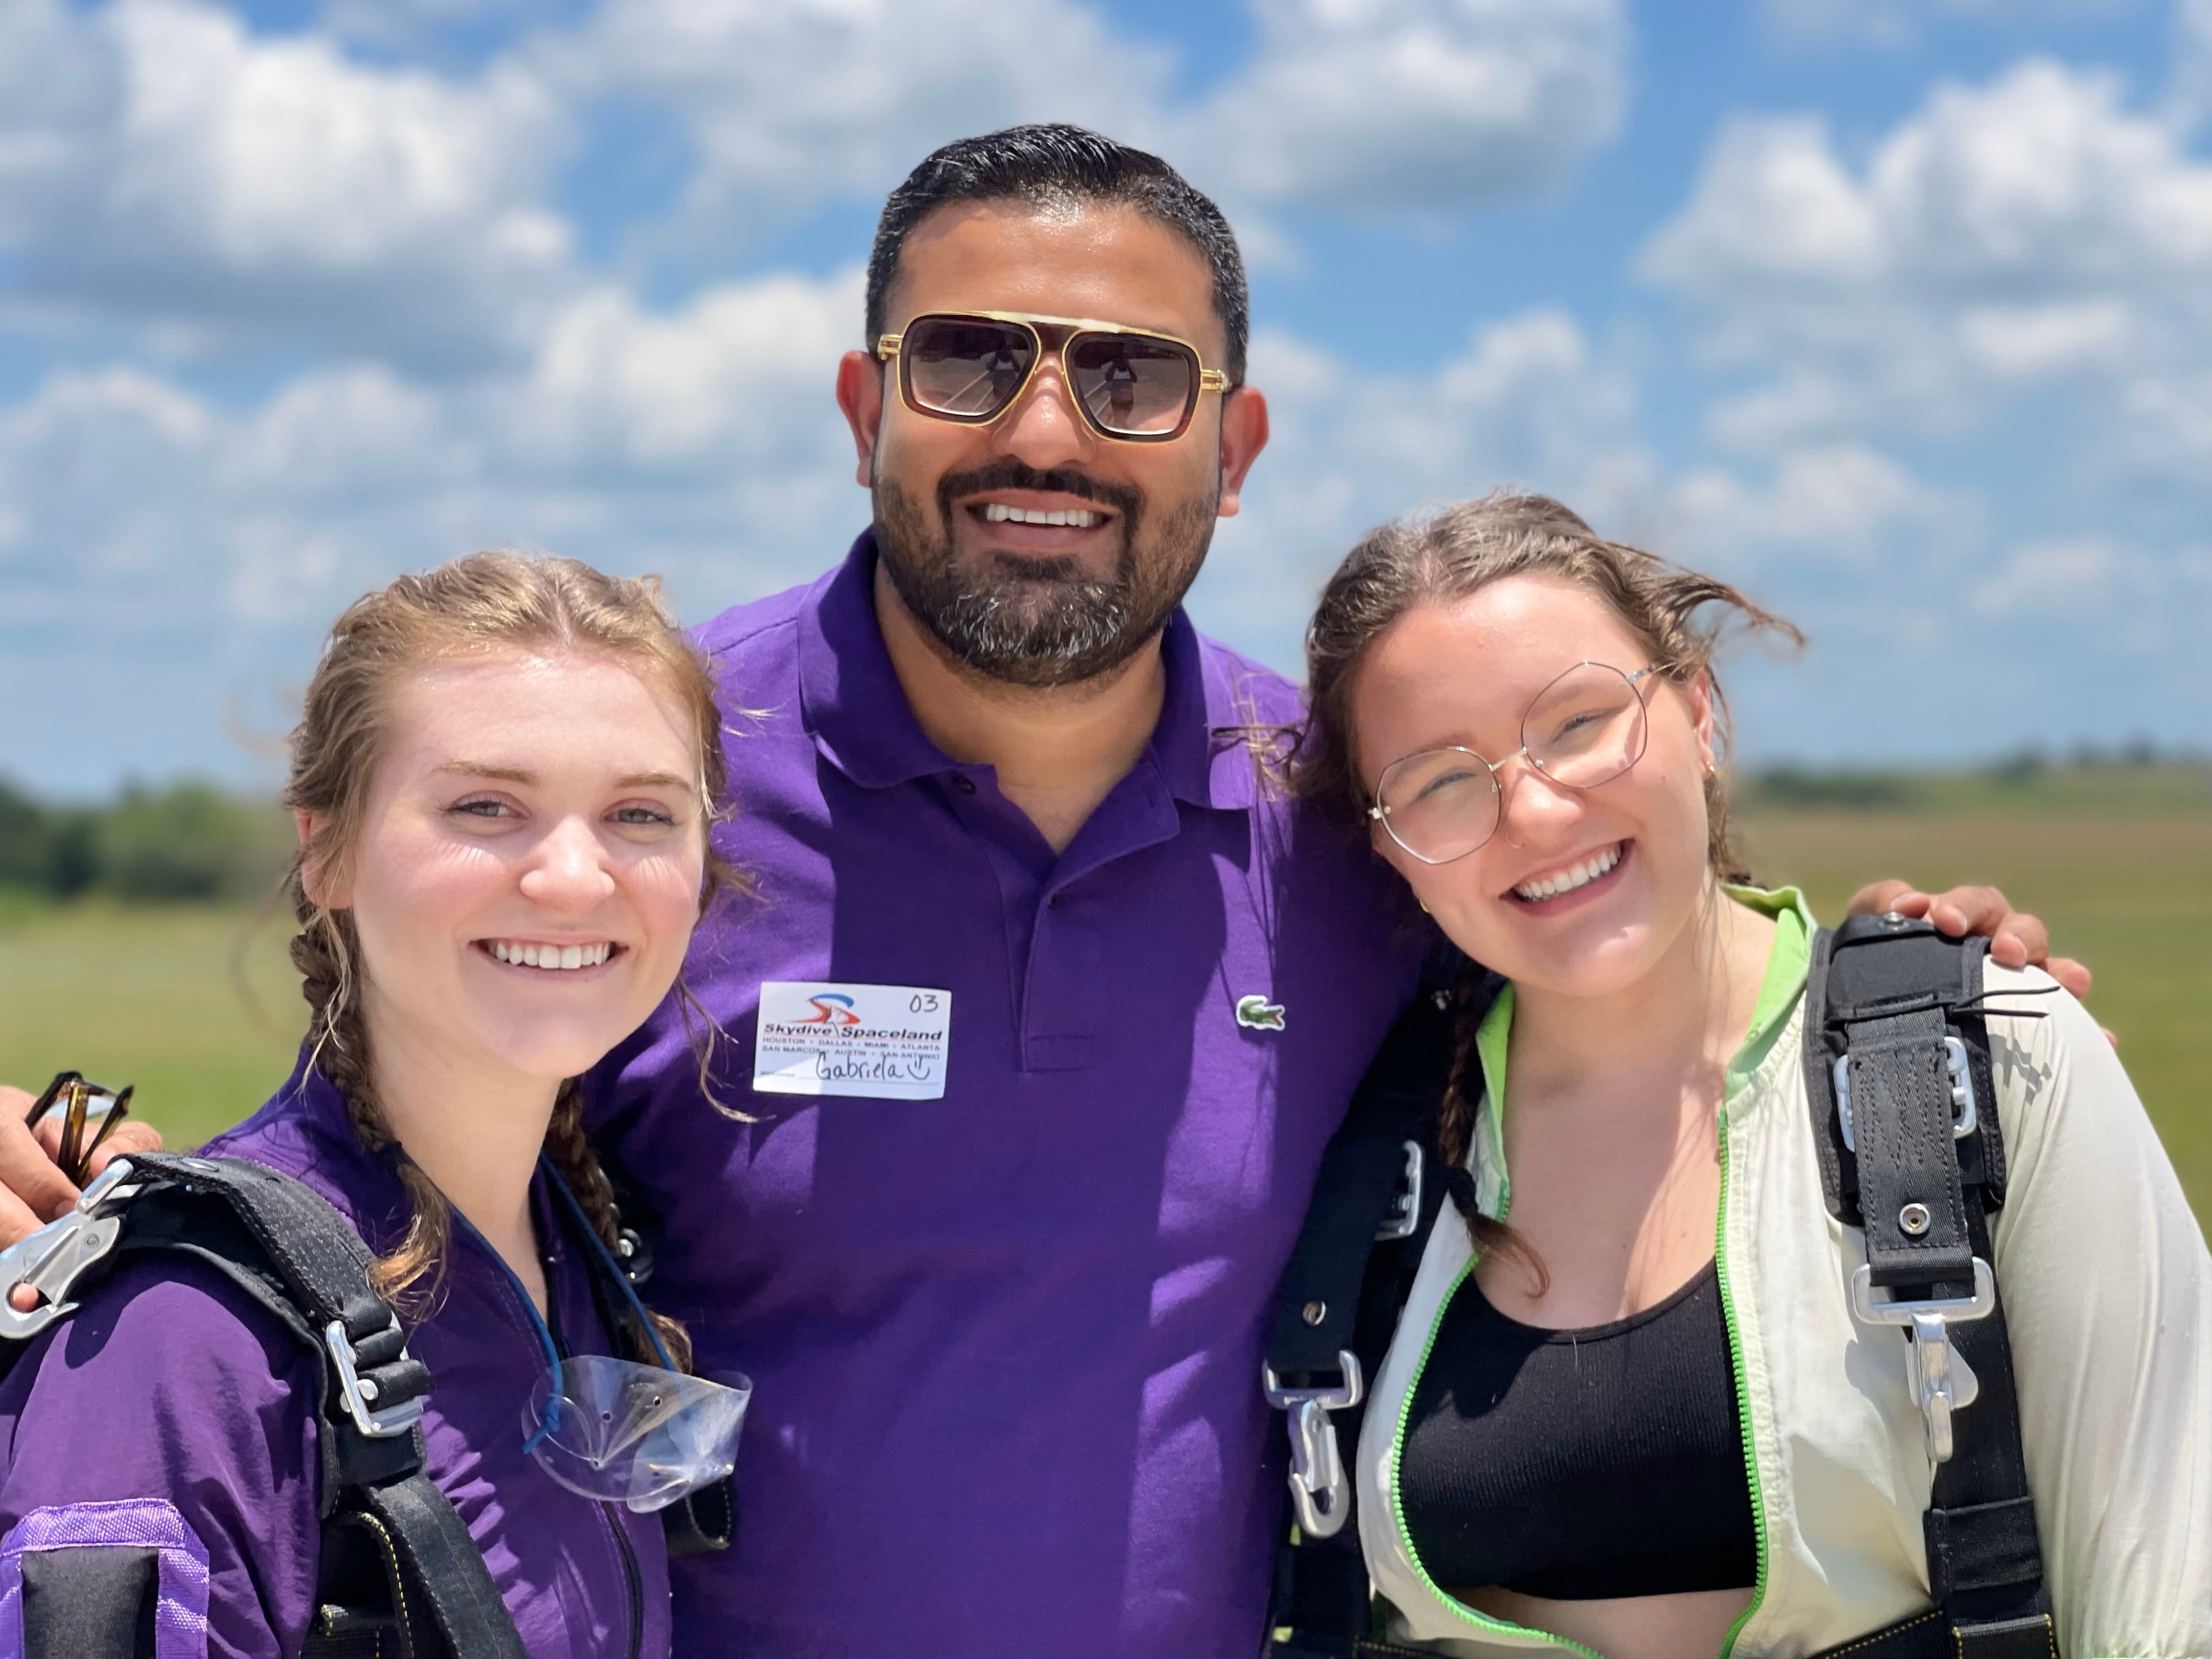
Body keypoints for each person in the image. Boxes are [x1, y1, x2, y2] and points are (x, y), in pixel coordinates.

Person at [0, 128, 2082, 1659]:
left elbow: (1640, 974)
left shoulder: (1353, 815)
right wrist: (91, 1226)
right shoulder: (647, 792)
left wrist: (1911, 988)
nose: (1047, 432)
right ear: (863, 407)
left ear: (1236, 444)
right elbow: (373, 1171)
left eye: (1132, 378)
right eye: (969, 361)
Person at [1283, 493, 2210, 1657]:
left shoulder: (1980, 1060)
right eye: (1440, 781)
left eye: (1576, 723)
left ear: (1698, 711)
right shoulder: (1371, 1156)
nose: (1532, 807)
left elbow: (2160, 1600)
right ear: (1389, 847)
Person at [0, 552, 747, 1657]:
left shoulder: (595, 1258)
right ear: (328, 850)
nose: (576, 877)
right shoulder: (182, 1334)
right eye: (485, 806)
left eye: (642, 814)